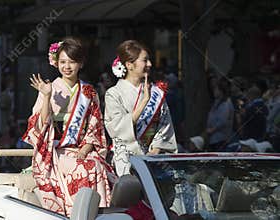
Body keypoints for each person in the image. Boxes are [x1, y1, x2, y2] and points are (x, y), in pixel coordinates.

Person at [22, 37, 114, 216]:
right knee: (84, 168)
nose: (67, 66)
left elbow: (95, 127)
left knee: (97, 166)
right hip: (54, 151)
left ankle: (97, 213)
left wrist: (86, 148)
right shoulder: (50, 87)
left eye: (72, 62)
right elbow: (40, 126)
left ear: (80, 63)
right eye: (63, 62)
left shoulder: (88, 91)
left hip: (82, 148)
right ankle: (77, 213)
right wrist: (47, 96)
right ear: (56, 63)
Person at [104, 40, 177, 177]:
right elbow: (116, 129)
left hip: (155, 155)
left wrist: (155, 150)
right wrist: (144, 102)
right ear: (129, 65)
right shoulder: (113, 94)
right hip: (126, 156)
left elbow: (165, 125)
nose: (149, 64)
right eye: (145, 60)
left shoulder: (156, 92)